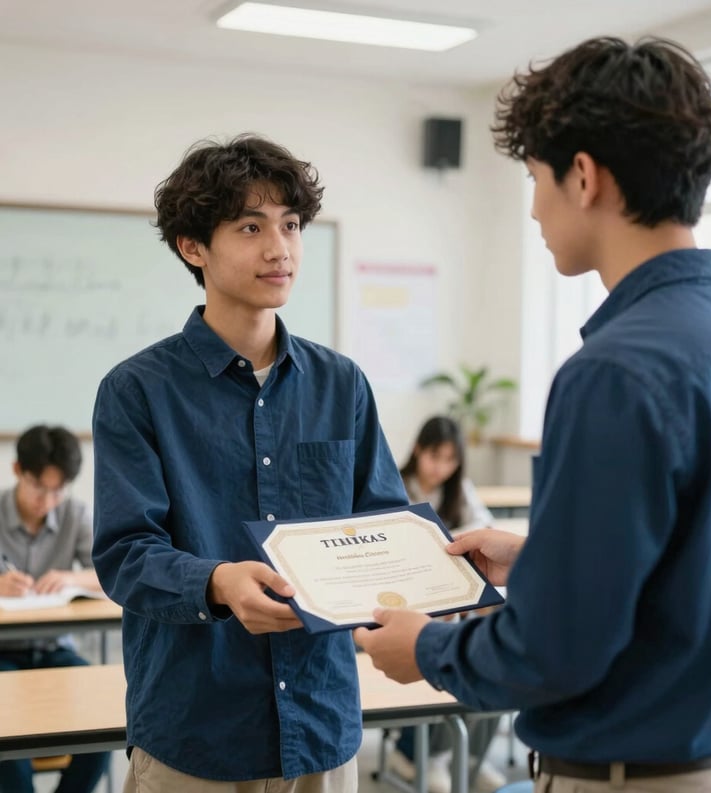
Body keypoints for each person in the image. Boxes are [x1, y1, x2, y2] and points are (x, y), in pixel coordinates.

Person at [355, 36, 711, 793]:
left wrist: (429, 650)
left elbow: (558, 648)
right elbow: (710, 561)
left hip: (634, 776)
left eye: (535, 179)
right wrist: (543, 560)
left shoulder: (614, 370)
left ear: (583, 176)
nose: (536, 210)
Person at [91, 134, 408, 793]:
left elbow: (384, 519)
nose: (280, 248)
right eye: (250, 226)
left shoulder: (340, 383)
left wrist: (429, 580)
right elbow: (126, 552)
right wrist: (216, 583)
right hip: (196, 729)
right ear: (193, 246)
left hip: (321, 725)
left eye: (291, 225)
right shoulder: (138, 390)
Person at [388, 415, 506, 793]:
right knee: (440, 641)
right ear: (418, 450)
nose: (441, 468)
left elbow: (484, 531)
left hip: (453, 591)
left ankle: (471, 756)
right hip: (408, 595)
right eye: (435, 456)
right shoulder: (392, 484)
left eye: (450, 460)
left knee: (499, 638)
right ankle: (418, 753)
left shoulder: (461, 491)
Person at [0, 424, 109, 793]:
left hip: (55, 652)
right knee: (6, 727)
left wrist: (72, 578)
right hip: (4, 655)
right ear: (18, 471)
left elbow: (111, 570)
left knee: (102, 719)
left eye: (57, 491)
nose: (47, 501)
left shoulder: (75, 514)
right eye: (39, 488)